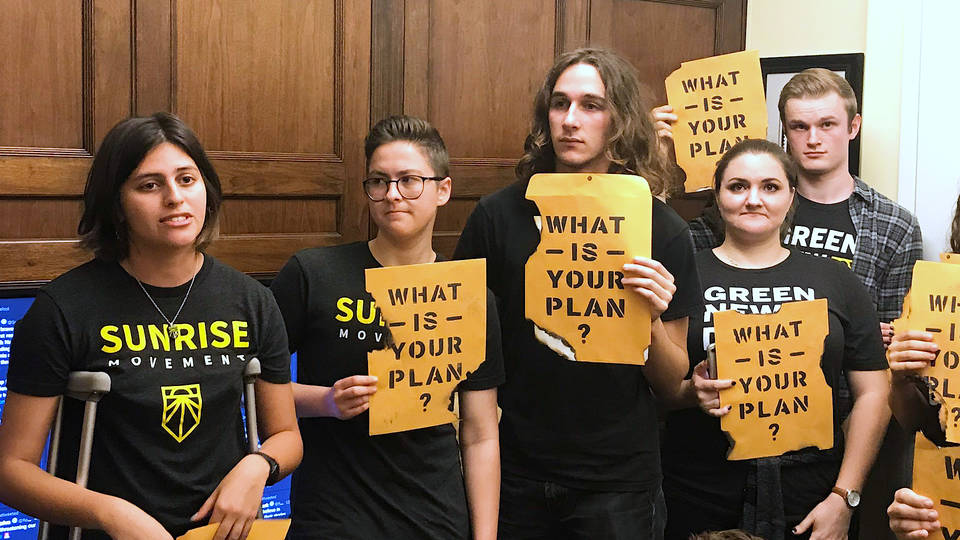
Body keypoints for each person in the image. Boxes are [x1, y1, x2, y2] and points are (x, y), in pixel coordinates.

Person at [0, 112, 302, 540]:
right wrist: (111, 514)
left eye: (187, 179)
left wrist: (259, 465)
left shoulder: (252, 301)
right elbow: (11, 470)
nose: (175, 198)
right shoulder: (63, 309)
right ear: (116, 203)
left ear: (207, 192)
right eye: (149, 185)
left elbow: (287, 435)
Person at [657, 68, 922, 535]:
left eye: (770, 187)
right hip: (699, 481)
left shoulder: (845, 271)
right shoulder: (691, 258)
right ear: (717, 199)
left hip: (818, 470)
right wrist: (656, 159)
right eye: (737, 187)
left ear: (789, 198)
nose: (753, 199)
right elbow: (646, 241)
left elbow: (881, 384)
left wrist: (845, 497)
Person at [454, 47, 702, 539]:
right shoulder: (498, 216)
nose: (571, 120)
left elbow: (674, 387)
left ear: (621, 119)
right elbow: (464, 347)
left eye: (592, 105)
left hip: (617, 484)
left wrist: (648, 318)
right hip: (512, 471)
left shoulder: (662, 228)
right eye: (560, 103)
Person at [269, 115, 503, 540]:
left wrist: (484, 537)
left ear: (443, 190)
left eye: (409, 180)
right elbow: (248, 391)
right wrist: (326, 401)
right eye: (378, 181)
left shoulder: (469, 294)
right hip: (333, 514)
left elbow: (480, 432)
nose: (392, 195)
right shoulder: (313, 273)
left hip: (435, 516)